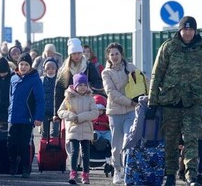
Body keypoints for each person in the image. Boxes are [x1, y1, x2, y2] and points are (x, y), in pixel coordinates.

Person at [147, 16, 202, 186]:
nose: (187, 32)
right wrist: (152, 102)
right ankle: (170, 175)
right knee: (170, 141)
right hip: (170, 102)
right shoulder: (169, 47)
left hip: (193, 103)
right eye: (185, 29)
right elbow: (157, 76)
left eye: (191, 29)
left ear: (195, 31)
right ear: (179, 30)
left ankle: (191, 176)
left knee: (192, 140)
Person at [101, 42, 140, 184]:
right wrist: (130, 101)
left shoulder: (130, 67)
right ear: (108, 57)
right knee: (116, 145)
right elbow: (111, 93)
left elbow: (143, 82)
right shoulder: (106, 73)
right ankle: (117, 170)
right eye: (112, 54)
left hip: (131, 111)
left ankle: (128, 170)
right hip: (115, 112)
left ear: (122, 54)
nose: (115, 56)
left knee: (128, 141)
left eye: (117, 53)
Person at [8, 53, 45, 178]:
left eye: (26, 64)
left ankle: (26, 167)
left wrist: (38, 117)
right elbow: (11, 97)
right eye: (21, 64)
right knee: (11, 143)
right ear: (18, 65)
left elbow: (40, 100)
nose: (23, 67)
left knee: (25, 144)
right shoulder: (13, 78)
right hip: (13, 117)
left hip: (27, 117)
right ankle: (13, 162)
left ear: (30, 66)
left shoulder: (35, 79)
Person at [57, 73, 98, 185]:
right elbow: (60, 112)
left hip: (86, 129)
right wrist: (70, 115)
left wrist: (81, 117)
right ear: (75, 86)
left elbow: (95, 113)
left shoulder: (90, 98)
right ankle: (73, 173)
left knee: (86, 153)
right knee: (74, 152)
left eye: (85, 85)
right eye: (80, 85)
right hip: (73, 129)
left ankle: (85, 174)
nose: (83, 87)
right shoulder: (68, 98)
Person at [54, 38, 103, 122]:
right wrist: (56, 114)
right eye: (74, 53)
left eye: (79, 53)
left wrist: (87, 88)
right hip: (70, 108)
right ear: (70, 55)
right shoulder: (65, 69)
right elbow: (58, 91)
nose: (77, 56)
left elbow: (98, 83)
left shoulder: (88, 66)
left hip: (86, 106)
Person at [40, 57, 59, 138]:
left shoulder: (58, 80)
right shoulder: (41, 80)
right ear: (45, 69)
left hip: (56, 110)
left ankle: (54, 147)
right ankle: (44, 147)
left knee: (55, 132)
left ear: (56, 69)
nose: (50, 70)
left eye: (53, 68)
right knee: (45, 132)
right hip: (45, 109)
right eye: (48, 68)